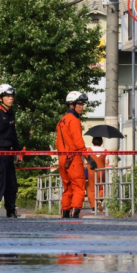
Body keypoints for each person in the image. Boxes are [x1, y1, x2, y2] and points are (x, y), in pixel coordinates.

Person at [56, 91, 97, 219]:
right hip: (73, 158)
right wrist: (88, 157)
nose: (82, 107)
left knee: (67, 187)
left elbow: (57, 142)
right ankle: (75, 212)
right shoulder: (74, 120)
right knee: (79, 186)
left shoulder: (61, 120)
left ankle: (65, 212)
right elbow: (78, 141)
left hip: (62, 158)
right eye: (80, 104)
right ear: (72, 105)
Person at [0, 84, 21, 218]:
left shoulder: (11, 114)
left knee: (11, 185)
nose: (11, 98)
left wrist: (18, 152)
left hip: (9, 154)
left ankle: (11, 211)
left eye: (12, 96)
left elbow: (13, 135)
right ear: (0, 98)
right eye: (7, 96)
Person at [86, 136, 107, 212]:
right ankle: (100, 200)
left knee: (91, 189)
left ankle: (94, 206)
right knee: (101, 187)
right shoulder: (105, 150)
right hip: (102, 172)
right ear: (101, 142)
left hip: (92, 171)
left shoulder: (89, 150)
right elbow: (107, 162)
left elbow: (86, 161)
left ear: (93, 141)